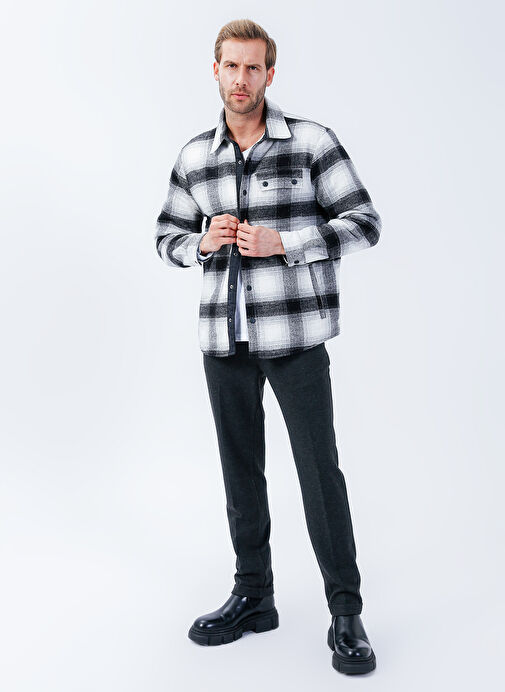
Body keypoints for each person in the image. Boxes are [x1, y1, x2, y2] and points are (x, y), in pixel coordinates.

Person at [154, 18, 381, 676]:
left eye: (253, 67)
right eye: (231, 65)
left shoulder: (310, 143)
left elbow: (365, 222)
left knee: (318, 472)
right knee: (240, 472)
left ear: (269, 74)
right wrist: (200, 243)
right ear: (215, 70)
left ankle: (346, 612)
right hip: (222, 338)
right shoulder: (194, 156)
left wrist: (287, 243)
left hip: (295, 336)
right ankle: (253, 596)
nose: (241, 78)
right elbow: (165, 236)